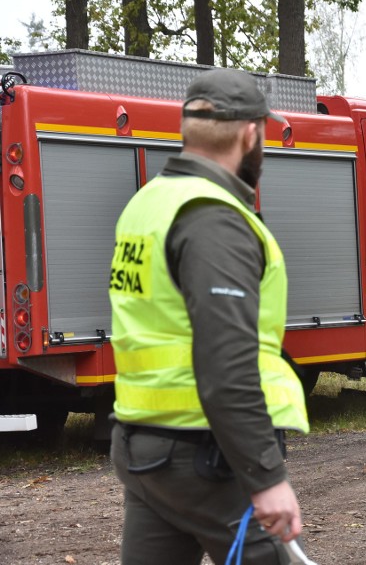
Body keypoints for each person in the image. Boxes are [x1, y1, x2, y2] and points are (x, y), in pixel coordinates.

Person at [108, 68, 309, 565]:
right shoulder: (215, 218)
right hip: (203, 460)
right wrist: (266, 479)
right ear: (250, 133)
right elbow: (226, 366)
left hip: (144, 448)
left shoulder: (148, 204)